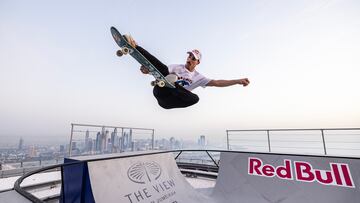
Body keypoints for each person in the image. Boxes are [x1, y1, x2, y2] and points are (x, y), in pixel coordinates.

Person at [123, 35, 250, 109]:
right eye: (189, 56)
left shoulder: (198, 77)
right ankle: (136, 46)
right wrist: (147, 70)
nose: (189, 59)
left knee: (195, 98)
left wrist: (237, 81)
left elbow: (217, 82)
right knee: (165, 69)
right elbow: (156, 68)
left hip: (170, 102)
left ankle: (172, 84)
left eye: (193, 58)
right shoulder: (176, 67)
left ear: (197, 62)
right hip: (160, 91)